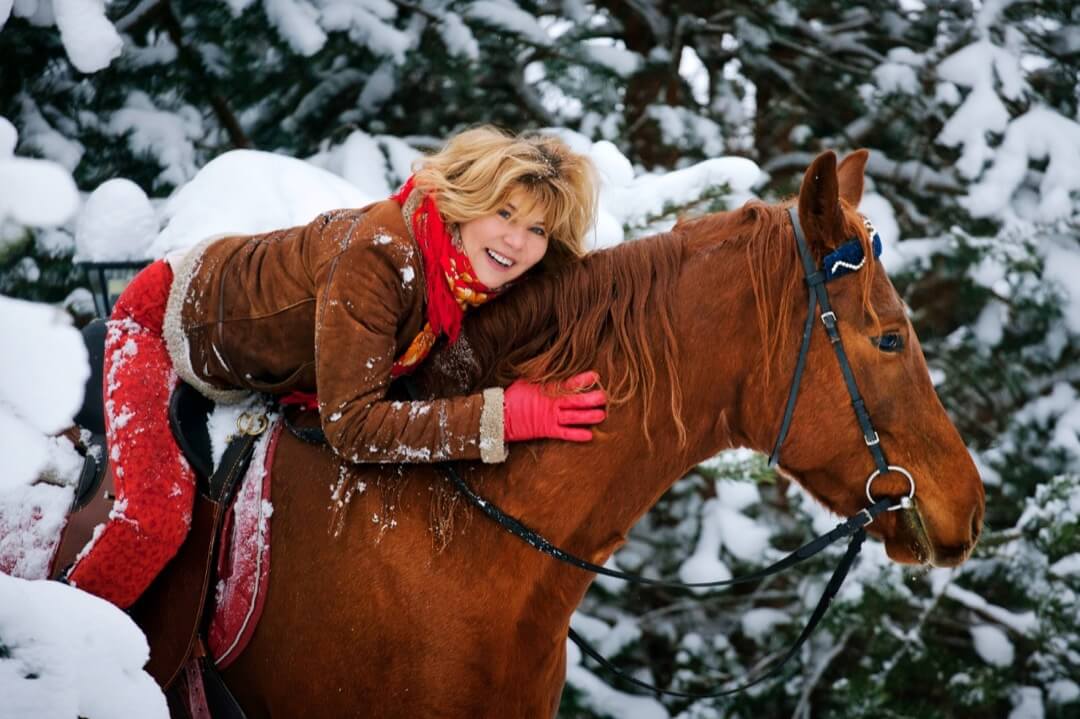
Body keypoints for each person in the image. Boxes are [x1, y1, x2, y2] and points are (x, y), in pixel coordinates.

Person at [65, 126, 607, 607]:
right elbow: (353, 427)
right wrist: (503, 420)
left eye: (538, 230)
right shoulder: (378, 257)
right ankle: (53, 665)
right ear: (465, 201)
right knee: (153, 521)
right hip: (164, 323)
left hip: (263, 360)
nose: (516, 240)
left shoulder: (469, 276)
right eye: (505, 213)